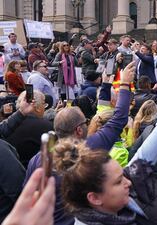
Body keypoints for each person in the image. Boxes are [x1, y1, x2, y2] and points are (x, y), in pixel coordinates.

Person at [23, 62, 135, 225]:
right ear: (78, 130)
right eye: (85, 123)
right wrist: (124, 84)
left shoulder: (38, 158)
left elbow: (27, 194)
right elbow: (118, 120)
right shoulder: (87, 149)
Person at [52, 94, 157, 225]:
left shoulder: (114, 211)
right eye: (118, 182)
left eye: (123, 175)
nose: (129, 182)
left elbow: (141, 160)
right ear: (94, 198)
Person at [5, 90, 53, 168]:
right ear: (37, 108)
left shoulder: (6, 126)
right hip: (36, 174)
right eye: (44, 104)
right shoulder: (47, 127)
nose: (45, 109)